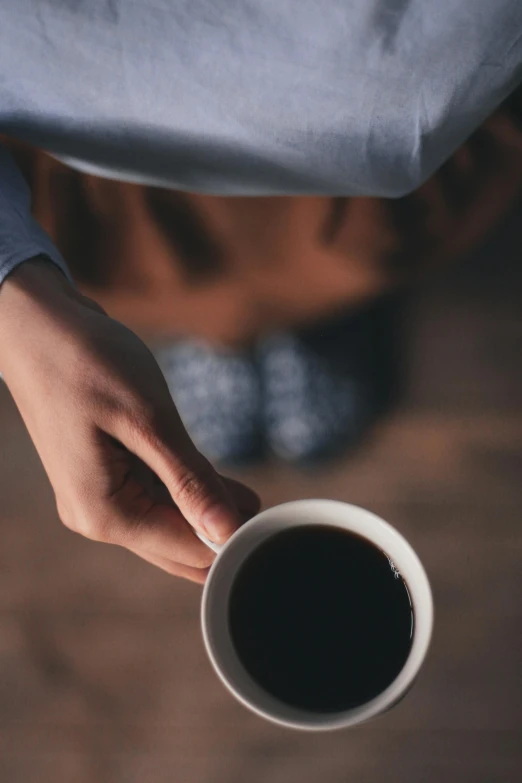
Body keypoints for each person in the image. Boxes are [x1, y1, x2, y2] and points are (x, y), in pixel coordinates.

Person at [1, 1, 521, 584]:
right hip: (91, 139)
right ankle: (226, 330)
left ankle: (307, 315)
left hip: (378, 128)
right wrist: (13, 292)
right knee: (158, 265)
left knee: (354, 250)